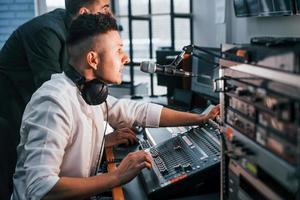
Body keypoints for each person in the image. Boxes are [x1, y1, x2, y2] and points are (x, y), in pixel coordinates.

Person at [12, 13, 220, 200]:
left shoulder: (90, 92)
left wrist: (199, 118)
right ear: (93, 59)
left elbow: (137, 111)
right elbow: (41, 188)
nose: (125, 58)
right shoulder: (53, 103)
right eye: (118, 50)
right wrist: (117, 176)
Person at [0, 1, 111, 198]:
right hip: (9, 114)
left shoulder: (74, 34)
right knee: (12, 181)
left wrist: (100, 139)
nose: (109, 14)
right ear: (84, 12)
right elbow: (57, 94)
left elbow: (81, 88)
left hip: (26, 106)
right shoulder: (45, 32)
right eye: (104, 7)